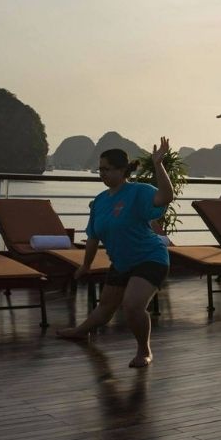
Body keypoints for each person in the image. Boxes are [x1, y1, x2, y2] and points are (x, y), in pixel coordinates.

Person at [57, 139, 175, 368]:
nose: (102, 173)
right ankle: (81, 331)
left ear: (122, 170)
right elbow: (93, 237)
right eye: (100, 169)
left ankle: (144, 350)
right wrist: (86, 265)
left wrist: (158, 164)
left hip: (150, 257)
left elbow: (165, 197)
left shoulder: (138, 191)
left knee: (132, 306)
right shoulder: (100, 201)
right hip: (122, 262)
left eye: (107, 169)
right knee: (105, 308)